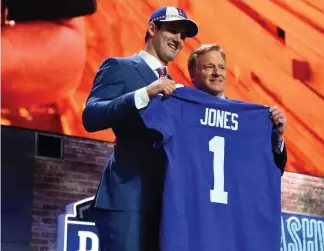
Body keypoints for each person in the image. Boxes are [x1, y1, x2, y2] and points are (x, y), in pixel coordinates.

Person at [82, 6, 199, 251]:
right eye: (173, 31)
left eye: (183, 35)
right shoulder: (119, 67)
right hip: (127, 199)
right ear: (152, 28)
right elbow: (91, 116)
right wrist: (144, 94)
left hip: (165, 205)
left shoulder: (177, 90)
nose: (178, 40)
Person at [187, 44, 287, 172]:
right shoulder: (182, 113)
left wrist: (276, 137)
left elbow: (273, 170)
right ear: (193, 75)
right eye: (209, 67)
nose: (217, 73)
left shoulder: (246, 119)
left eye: (221, 68)